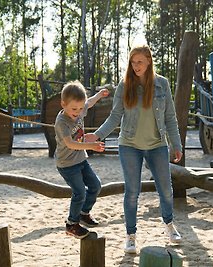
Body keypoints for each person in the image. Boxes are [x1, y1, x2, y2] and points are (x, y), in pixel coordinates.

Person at [85, 44, 183, 253]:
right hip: (129, 145)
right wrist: (97, 135)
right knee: (132, 192)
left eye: (140, 61)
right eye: (133, 62)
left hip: (157, 144)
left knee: (165, 189)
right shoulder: (125, 85)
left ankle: (169, 225)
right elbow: (115, 116)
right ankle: (130, 236)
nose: (136, 66)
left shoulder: (162, 84)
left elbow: (170, 118)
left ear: (149, 61)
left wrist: (176, 144)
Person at [54, 80, 109, 239]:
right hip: (67, 164)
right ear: (63, 104)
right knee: (79, 192)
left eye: (79, 108)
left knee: (95, 185)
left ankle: (84, 213)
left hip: (80, 160)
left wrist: (99, 95)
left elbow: (89, 103)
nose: (77, 112)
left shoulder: (80, 107)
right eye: (73, 109)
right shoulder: (62, 122)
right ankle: (71, 224)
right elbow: (70, 143)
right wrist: (91, 145)